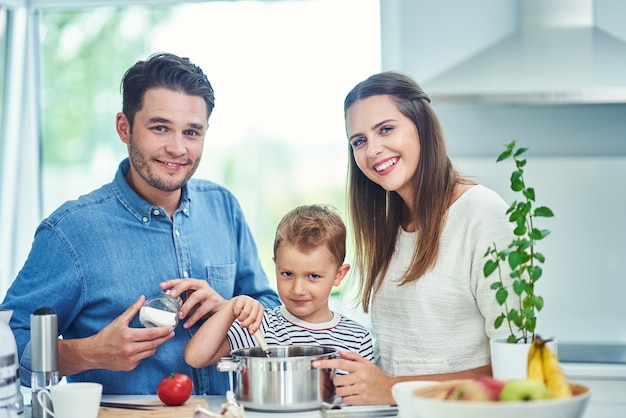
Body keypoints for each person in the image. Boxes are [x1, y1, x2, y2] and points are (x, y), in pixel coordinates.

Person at [0, 52, 280, 395]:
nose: (177, 148)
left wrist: (229, 309)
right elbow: (9, 343)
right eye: (160, 127)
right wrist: (89, 353)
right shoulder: (71, 231)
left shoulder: (224, 207)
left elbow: (276, 314)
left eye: (191, 132)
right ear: (124, 127)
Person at [312, 71, 515, 405]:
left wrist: (393, 388)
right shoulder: (390, 226)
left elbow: (513, 371)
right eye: (359, 141)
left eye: (386, 129)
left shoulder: (481, 213)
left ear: (422, 126)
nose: (372, 149)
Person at [184, 204, 374, 368]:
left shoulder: (357, 339)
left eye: (313, 276)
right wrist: (231, 307)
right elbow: (195, 358)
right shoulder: (259, 326)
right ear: (276, 266)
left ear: (338, 275)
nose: (298, 289)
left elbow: (364, 398)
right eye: (287, 274)